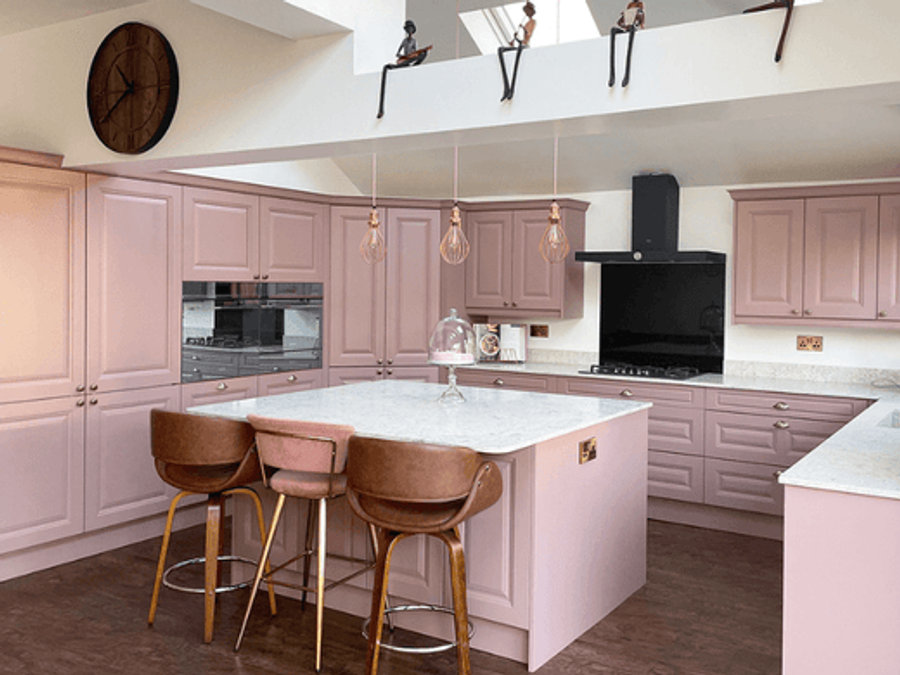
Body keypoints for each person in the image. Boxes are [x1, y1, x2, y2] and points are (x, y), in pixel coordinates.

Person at [377, 20, 431, 118]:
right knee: (387, 67)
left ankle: (413, 66)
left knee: (424, 53)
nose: (409, 30)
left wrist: (414, 55)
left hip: (411, 59)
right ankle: (380, 110)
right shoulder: (404, 41)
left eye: (411, 29)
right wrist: (402, 56)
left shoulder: (414, 41)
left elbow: (415, 52)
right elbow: (398, 52)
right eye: (408, 29)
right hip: (404, 61)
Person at [497, 1, 536, 102]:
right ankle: (506, 88)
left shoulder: (532, 22)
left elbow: (528, 34)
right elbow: (521, 38)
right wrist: (515, 38)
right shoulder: (528, 22)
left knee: (516, 62)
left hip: (524, 46)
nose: (526, 13)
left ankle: (511, 90)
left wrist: (523, 29)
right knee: (500, 50)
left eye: (527, 11)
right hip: (520, 45)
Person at [608, 0, 645, 87]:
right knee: (613, 30)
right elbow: (619, 22)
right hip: (626, 28)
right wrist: (624, 20)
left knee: (629, 48)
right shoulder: (630, 5)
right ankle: (612, 76)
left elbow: (640, 20)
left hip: (633, 28)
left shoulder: (640, 6)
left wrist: (637, 21)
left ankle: (626, 76)